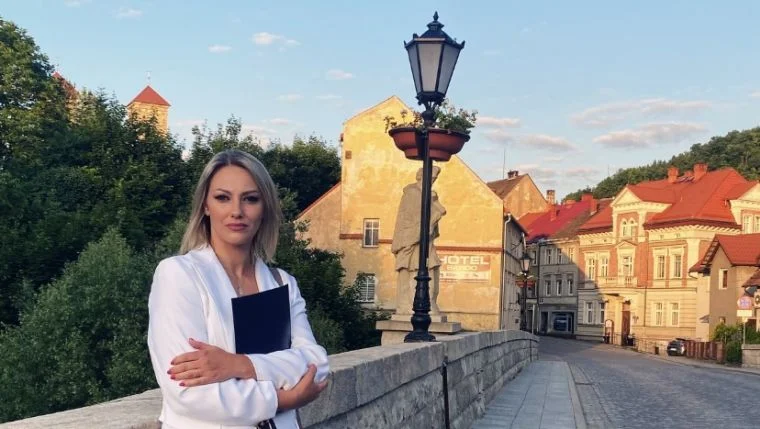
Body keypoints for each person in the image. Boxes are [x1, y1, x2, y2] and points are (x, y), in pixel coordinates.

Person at [147, 149, 329, 429]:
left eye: (250, 199)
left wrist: (238, 365)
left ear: (264, 207)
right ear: (205, 206)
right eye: (223, 198)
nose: (237, 211)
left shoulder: (282, 283)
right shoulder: (179, 275)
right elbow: (187, 393)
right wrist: (283, 399)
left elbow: (317, 365)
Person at [391, 166, 446, 316]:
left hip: (425, 242)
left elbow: (436, 216)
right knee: (414, 270)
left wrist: (435, 206)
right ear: (421, 176)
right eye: (431, 178)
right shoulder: (412, 193)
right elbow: (414, 219)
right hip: (412, 241)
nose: (433, 181)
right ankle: (410, 305)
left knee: (431, 270)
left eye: (434, 179)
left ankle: (429, 303)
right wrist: (436, 214)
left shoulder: (430, 194)